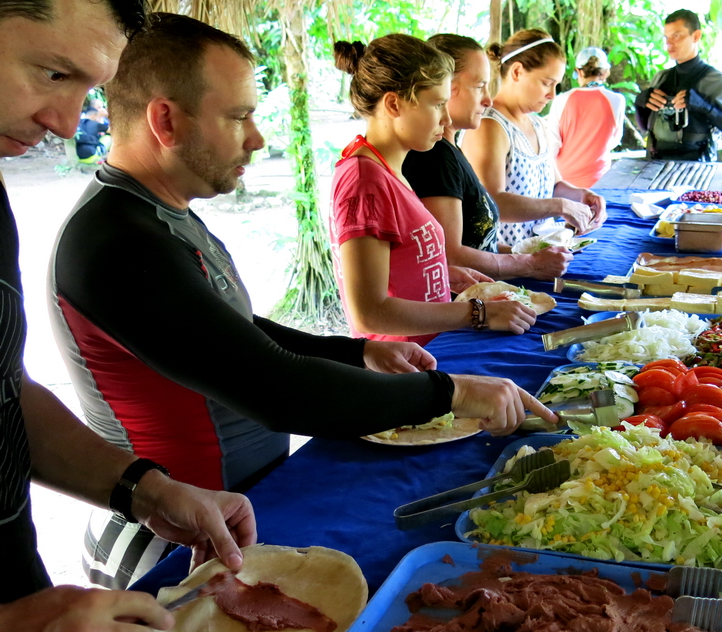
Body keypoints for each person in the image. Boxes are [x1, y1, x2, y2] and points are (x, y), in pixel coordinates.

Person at [50, 15, 557, 589]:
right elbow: (275, 387)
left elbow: (235, 329)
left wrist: (354, 352)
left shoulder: (160, 215)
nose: (257, 138)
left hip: (240, 501)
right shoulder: (117, 242)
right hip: (172, 533)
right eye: (239, 116)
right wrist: (452, 393)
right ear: (165, 120)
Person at [0, 0, 261, 632]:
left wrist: (144, 488)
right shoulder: (112, 235)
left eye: (85, 88)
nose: (65, 123)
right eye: (52, 72)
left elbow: (4, 395)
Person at [331, 35, 541, 344]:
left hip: (434, 347)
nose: (445, 119)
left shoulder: (388, 169)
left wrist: (445, 275)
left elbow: (398, 264)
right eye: (438, 104)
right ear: (393, 104)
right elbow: (370, 312)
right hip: (406, 366)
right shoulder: (366, 182)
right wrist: (478, 313)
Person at [402, 34, 572, 280]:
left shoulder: (448, 150)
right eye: (480, 86)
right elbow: (451, 257)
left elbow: (477, 245)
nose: (487, 100)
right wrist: (528, 264)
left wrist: (525, 256)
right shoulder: (434, 156)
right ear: (446, 87)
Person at [461, 28, 607, 246]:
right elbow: (492, 203)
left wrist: (579, 196)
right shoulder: (489, 126)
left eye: (556, 85)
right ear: (517, 72)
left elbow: (554, 184)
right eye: (546, 83)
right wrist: (560, 206)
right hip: (505, 263)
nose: (552, 94)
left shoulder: (537, 123)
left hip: (539, 257)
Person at [634, 8, 722, 162]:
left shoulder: (716, 80)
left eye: (677, 35)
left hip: (698, 169)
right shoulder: (661, 78)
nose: (669, 43)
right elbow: (646, 128)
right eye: (666, 37)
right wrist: (640, 103)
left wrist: (705, 107)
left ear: (696, 36)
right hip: (656, 165)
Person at [547, 46, 626, 189]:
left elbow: (552, 146)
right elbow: (615, 141)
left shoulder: (561, 100)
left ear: (578, 72)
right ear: (605, 72)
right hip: (600, 182)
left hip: (565, 184)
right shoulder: (617, 100)